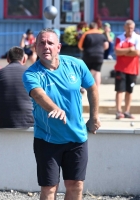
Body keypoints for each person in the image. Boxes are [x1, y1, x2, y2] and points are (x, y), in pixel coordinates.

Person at [23, 28, 100, 200]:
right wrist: (54, 108)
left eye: (50, 43)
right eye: (41, 43)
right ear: (35, 47)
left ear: (58, 47)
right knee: (49, 189)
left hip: (77, 139)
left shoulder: (76, 64)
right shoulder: (31, 73)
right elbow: (38, 94)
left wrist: (94, 117)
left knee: (76, 186)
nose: (46, 47)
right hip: (47, 140)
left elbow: (92, 88)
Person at [0, 46, 33, 128]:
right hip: (28, 122)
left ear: (7, 59)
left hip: (0, 122)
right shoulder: (31, 73)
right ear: (24, 59)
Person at [114, 19, 140, 119]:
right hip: (120, 68)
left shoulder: (138, 38)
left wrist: (124, 52)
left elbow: (137, 53)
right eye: (128, 27)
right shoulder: (119, 38)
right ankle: (118, 111)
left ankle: (127, 111)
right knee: (119, 90)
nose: (130, 29)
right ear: (124, 27)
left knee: (129, 91)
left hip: (133, 69)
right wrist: (130, 50)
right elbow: (117, 52)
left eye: (132, 28)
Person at [78, 22, 108, 87]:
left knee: (86, 71)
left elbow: (80, 46)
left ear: (89, 27)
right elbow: (106, 46)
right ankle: (96, 88)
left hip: (88, 55)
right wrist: (101, 50)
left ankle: (84, 87)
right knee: (97, 72)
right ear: (96, 27)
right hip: (99, 56)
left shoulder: (86, 34)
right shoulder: (102, 34)